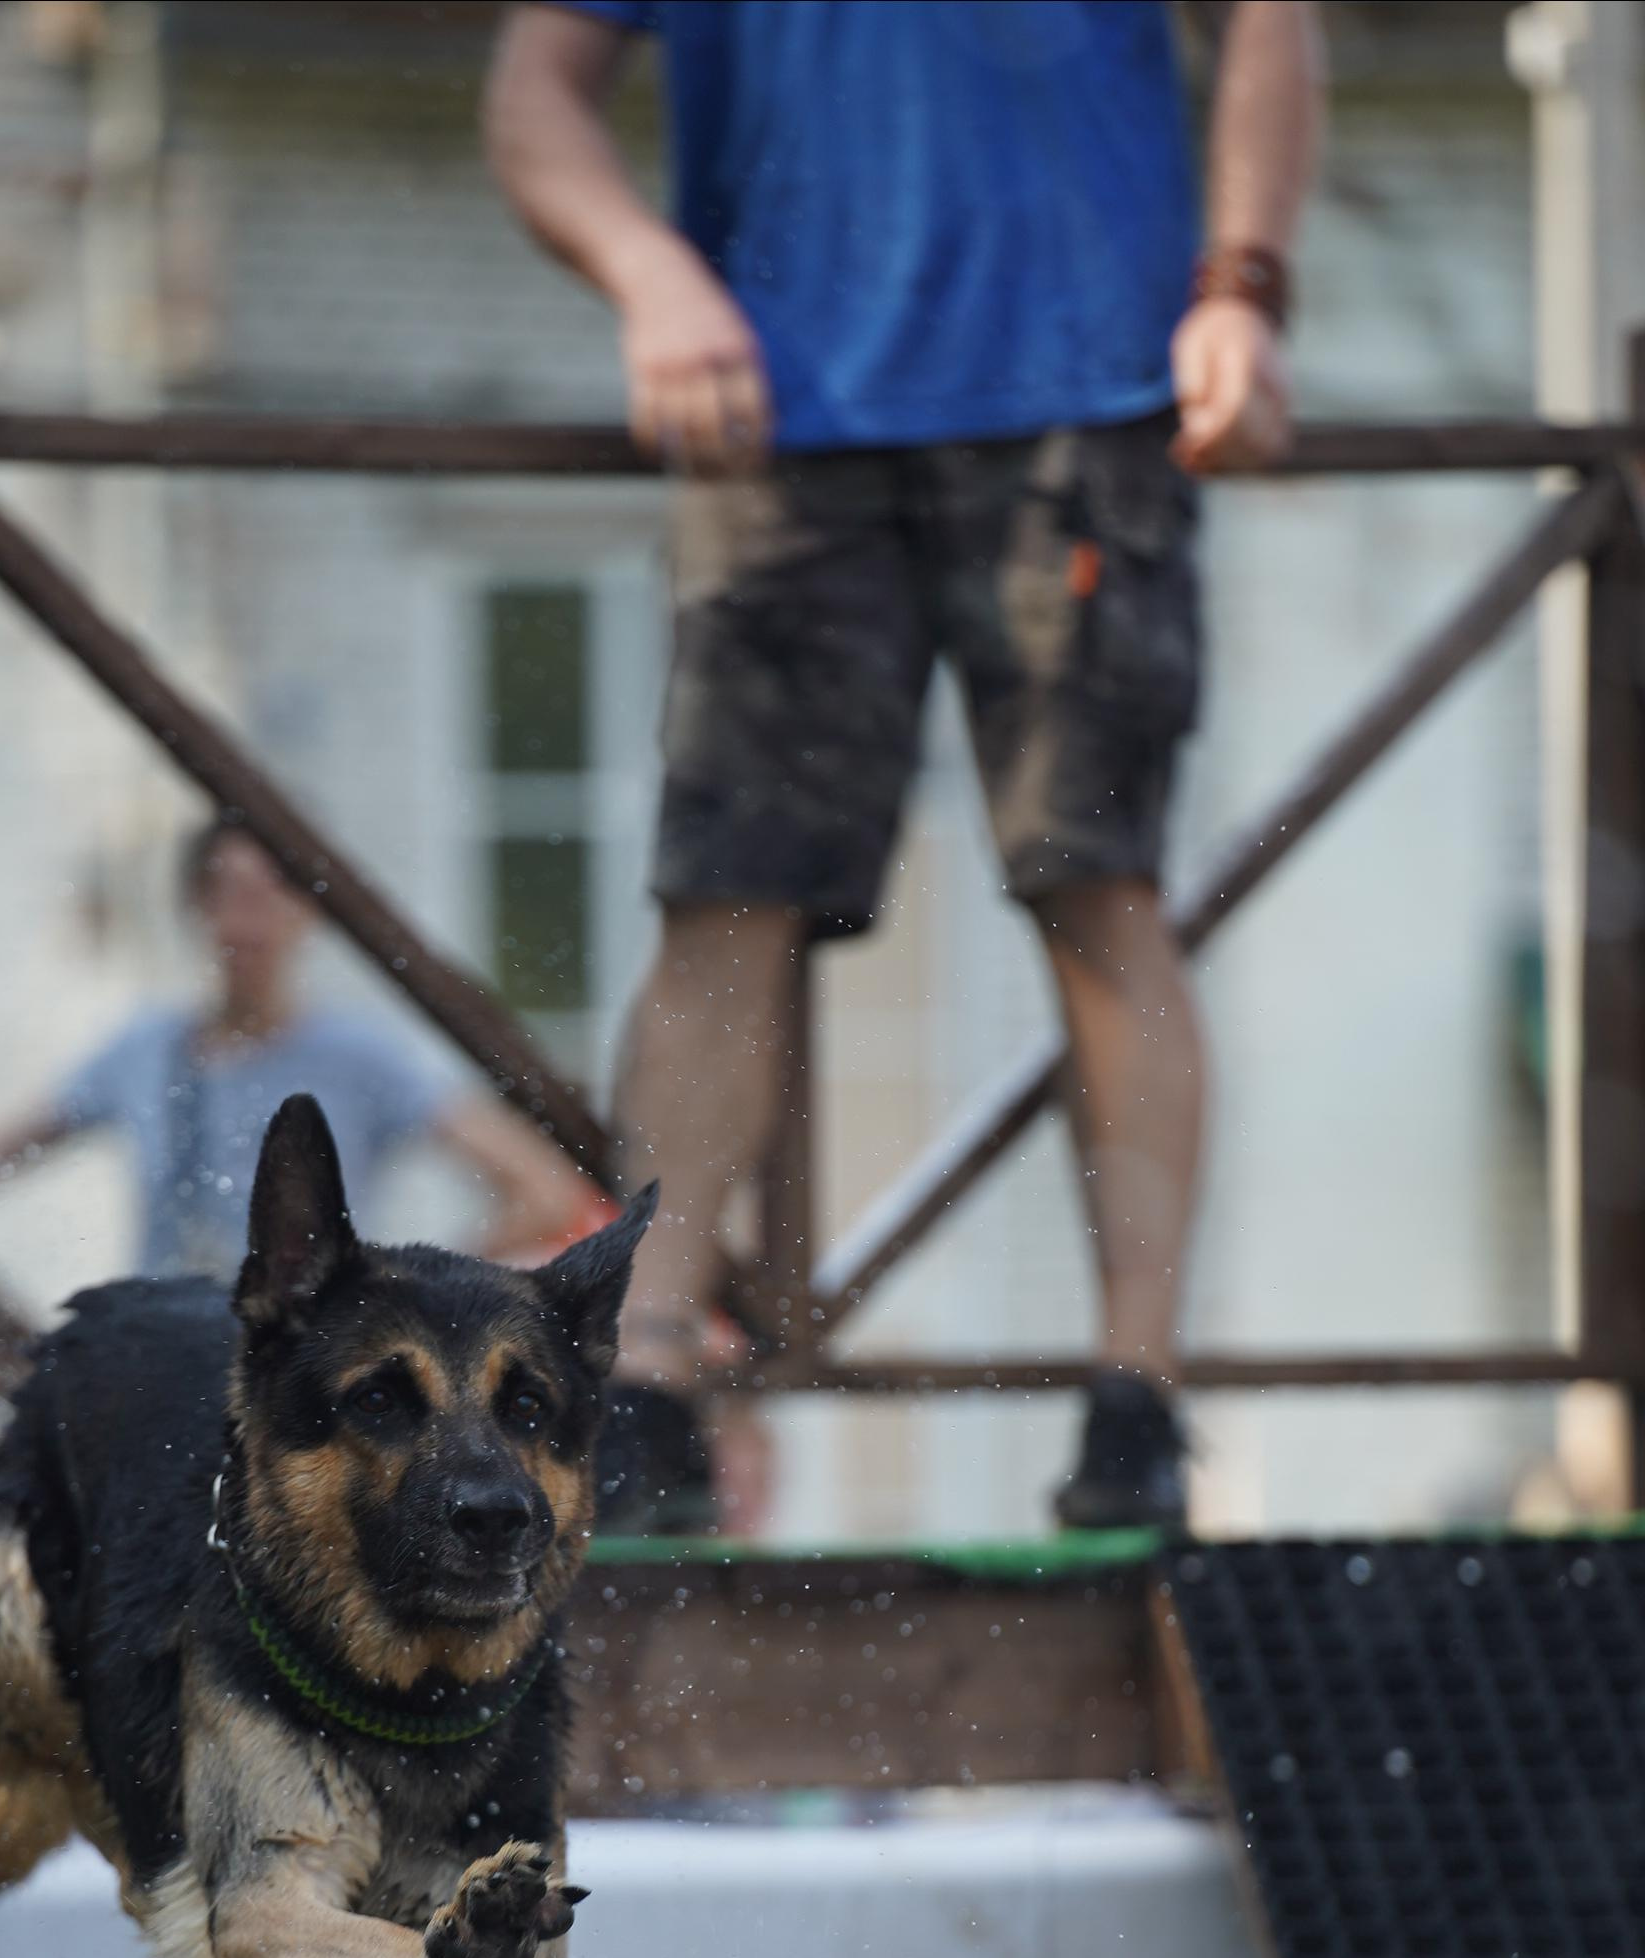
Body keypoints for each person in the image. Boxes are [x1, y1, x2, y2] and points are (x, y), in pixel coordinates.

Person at [485, 0, 1324, 1528]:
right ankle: (653, 1382)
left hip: (1092, 394)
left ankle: (1137, 1399)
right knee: (720, 902)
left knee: (1101, 888)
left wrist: (1243, 287)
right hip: (778, 412)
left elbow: (1269, 20)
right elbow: (536, 94)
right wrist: (650, 272)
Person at [0, 815, 603, 1280]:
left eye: (268, 895)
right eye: (226, 895)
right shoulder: (142, 1049)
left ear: (309, 911)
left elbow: (544, 1191)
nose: (247, 925)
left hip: (295, 1384)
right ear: (196, 909)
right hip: (160, 1363)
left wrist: (399, 1293)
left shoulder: (362, 1057)